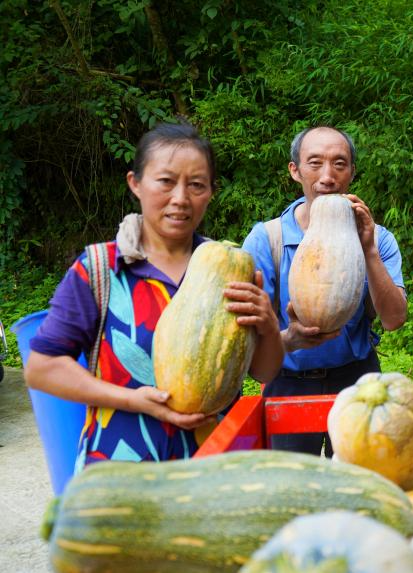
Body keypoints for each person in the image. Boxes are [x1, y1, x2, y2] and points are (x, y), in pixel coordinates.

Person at [25, 121, 283, 469]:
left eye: (196, 184)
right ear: (136, 183)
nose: (180, 198)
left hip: (212, 470)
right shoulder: (100, 268)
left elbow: (263, 372)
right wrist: (133, 400)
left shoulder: (230, 268)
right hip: (122, 470)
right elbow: (42, 368)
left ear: (211, 191)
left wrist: (267, 326)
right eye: (166, 181)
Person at [242, 125, 407, 455]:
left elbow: (394, 319)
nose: (327, 177)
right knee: (291, 482)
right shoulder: (266, 240)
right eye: (315, 163)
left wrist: (369, 250)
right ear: (295, 171)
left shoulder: (379, 239)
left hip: (357, 382)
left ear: (352, 172)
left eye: (339, 164)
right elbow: (244, 342)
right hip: (287, 384)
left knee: (356, 478)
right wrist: (289, 339)